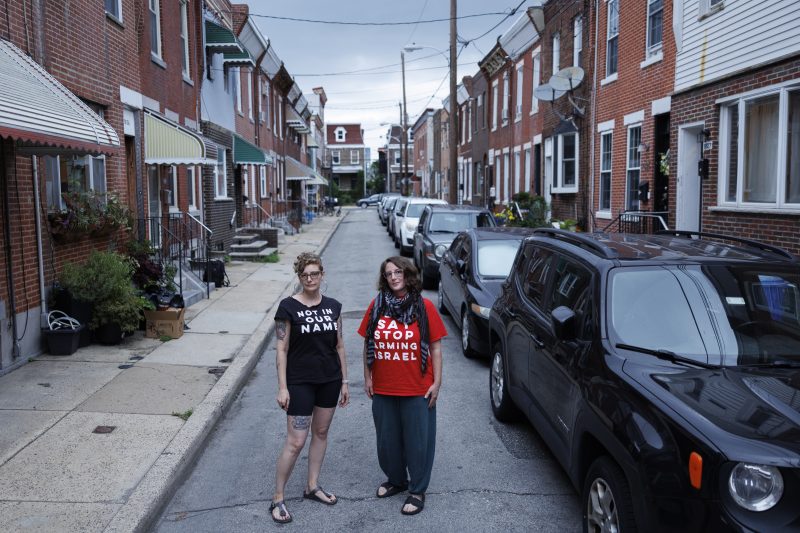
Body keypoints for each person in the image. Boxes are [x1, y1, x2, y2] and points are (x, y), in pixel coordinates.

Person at [357, 256, 446, 516]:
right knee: (388, 442)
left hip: (417, 388)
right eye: (389, 274)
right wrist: (367, 377)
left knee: (418, 443)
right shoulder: (377, 305)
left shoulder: (424, 306)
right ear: (384, 278)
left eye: (398, 272)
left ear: (407, 275)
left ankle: (417, 490)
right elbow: (368, 342)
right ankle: (396, 480)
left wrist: (437, 383)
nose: (394, 277)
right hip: (384, 387)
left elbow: (436, 348)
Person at [270, 252, 349, 524]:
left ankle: (312, 486)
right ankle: (278, 498)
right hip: (300, 382)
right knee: (296, 441)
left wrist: (345, 382)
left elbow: (339, 346)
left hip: (329, 380)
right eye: (305, 275)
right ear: (299, 277)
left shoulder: (334, 307)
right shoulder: (287, 307)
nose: (310, 279)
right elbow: (281, 350)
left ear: (322, 274)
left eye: (314, 273)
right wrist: (283, 387)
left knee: (321, 432)